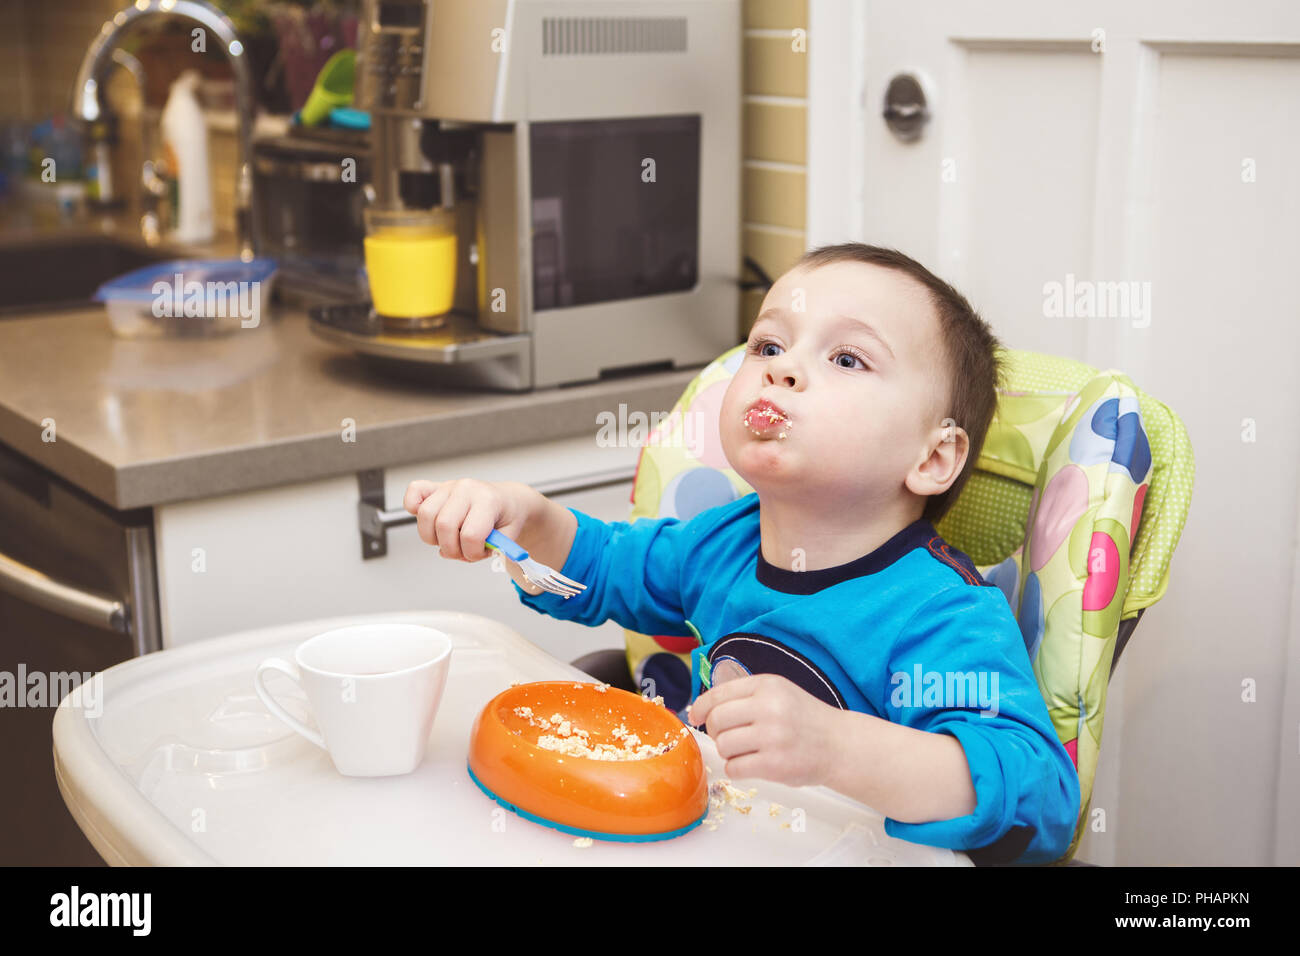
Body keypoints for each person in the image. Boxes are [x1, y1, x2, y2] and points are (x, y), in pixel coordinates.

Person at [403, 243, 1081, 865]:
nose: (783, 370)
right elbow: (598, 571)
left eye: (846, 359)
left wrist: (834, 747)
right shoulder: (720, 543)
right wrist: (525, 515)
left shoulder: (942, 614)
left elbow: (1040, 796)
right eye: (768, 345)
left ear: (933, 457)